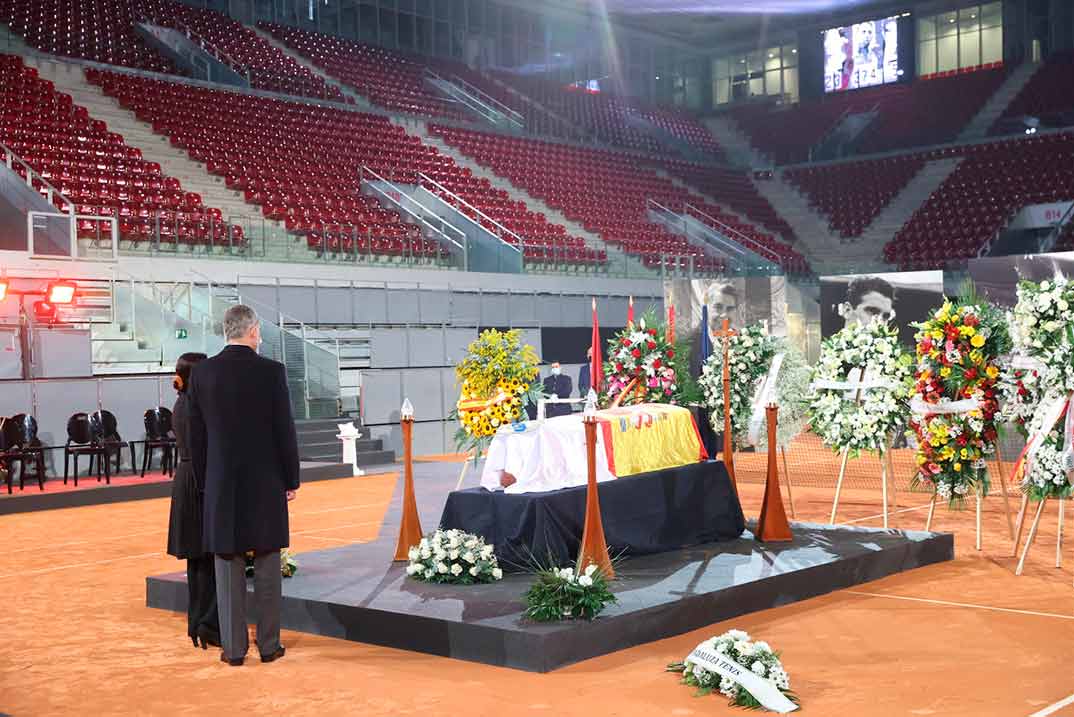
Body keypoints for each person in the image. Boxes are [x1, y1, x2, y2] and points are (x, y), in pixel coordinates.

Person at [188, 305, 301, 667]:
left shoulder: (203, 373)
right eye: (260, 332)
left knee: (227, 560)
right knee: (268, 560)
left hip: (221, 481)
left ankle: (234, 649)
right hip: (265, 480)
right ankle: (269, 645)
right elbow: (285, 430)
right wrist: (291, 478)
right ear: (252, 331)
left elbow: (196, 436)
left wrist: (205, 481)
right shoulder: (272, 371)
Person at [165, 352, 220, 651]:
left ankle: (199, 623)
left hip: (187, 480)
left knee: (197, 562)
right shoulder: (194, 406)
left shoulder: (183, 402)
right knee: (208, 559)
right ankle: (208, 624)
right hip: (199, 483)